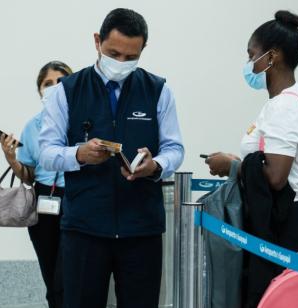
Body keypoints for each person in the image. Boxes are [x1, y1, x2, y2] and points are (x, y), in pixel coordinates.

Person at [38, 8, 184, 308]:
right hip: (84, 229)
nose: (120, 63)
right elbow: (47, 153)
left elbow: (175, 149)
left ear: (143, 50)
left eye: (130, 58)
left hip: (141, 228)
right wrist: (79, 154)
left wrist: (156, 165)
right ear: (97, 42)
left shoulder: (158, 91)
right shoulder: (66, 92)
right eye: (113, 53)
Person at [205, 11, 298, 307]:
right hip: (281, 216)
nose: (249, 64)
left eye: (252, 55)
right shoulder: (283, 103)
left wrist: (231, 166)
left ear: (273, 56)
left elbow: (276, 176)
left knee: (263, 298)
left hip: (286, 219)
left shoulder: (285, 106)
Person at [0, 61, 73, 308]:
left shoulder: (82, 122)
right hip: (43, 202)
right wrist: (11, 158)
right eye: (47, 84)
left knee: (67, 277)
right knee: (51, 278)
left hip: (75, 199)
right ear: (39, 90)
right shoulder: (33, 126)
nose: (53, 88)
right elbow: (29, 175)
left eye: (60, 82)